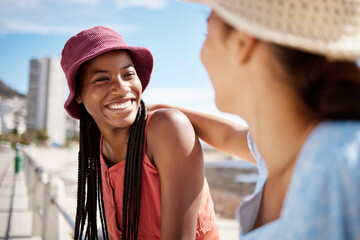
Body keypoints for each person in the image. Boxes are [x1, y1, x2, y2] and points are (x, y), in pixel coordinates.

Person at [154, 0, 360, 239]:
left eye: (207, 32)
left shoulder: (345, 165)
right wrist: (162, 110)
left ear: (243, 42)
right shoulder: (287, 149)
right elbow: (227, 136)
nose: (201, 55)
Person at [60, 26, 219, 240]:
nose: (122, 87)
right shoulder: (96, 146)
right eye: (101, 79)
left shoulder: (167, 128)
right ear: (78, 94)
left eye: (128, 74)